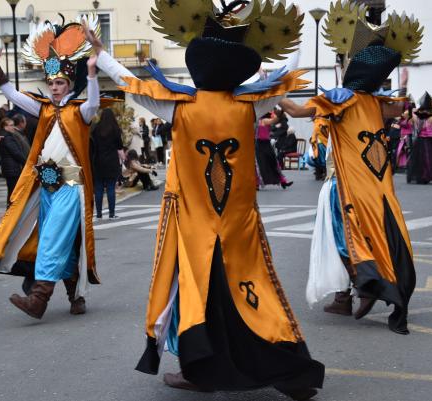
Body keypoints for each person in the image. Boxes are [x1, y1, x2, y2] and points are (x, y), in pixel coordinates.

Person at [93, 2, 324, 398]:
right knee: (256, 292)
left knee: (196, 293)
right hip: (240, 228)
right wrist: (296, 45)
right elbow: (285, 79)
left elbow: (130, 83)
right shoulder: (251, 105)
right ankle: (291, 371)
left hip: (194, 225)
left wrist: (100, 55)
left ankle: (198, 371)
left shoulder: (176, 105)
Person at [280, 1, 422, 335]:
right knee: (378, 237)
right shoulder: (378, 103)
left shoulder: (341, 99)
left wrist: (274, 91)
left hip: (347, 187)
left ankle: (366, 286)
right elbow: (402, 107)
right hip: (379, 189)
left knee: (343, 238)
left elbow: (298, 113)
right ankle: (357, 291)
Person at [0, 13, 102, 320]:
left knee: (53, 237)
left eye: (60, 83)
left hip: (71, 187)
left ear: (69, 84)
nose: (54, 87)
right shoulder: (42, 109)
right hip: (46, 187)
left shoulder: (79, 111)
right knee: (60, 242)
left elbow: (94, 104)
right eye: (51, 82)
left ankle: (39, 299)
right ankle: (74, 295)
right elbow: (12, 94)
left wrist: (93, 74)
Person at [407, 93, 432, 184]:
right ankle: (426, 175)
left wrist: (411, 106)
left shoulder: (417, 118)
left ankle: (423, 176)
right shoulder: (430, 119)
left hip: (421, 141)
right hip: (428, 141)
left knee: (421, 160)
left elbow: (412, 112)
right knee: (429, 159)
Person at [91, 108, 124, 218]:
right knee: (111, 187)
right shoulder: (115, 129)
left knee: (98, 188)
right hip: (111, 161)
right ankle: (111, 213)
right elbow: (119, 146)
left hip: (97, 161)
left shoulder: (95, 128)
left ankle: (99, 213)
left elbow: (91, 144)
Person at [255, 112, 293, 189]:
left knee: (271, 163)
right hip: (260, 144)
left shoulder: (259, 121)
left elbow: (274, 122)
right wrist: (280, 113)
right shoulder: (263, 120)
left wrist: (279, 114)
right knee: (260, 164)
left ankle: (283, 181)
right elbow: (274, 120)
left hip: (264, 144)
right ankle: (257, 184)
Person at [0, 117, 30, 205]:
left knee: (12, 192)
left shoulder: (7, 136)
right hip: (12, 169)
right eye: (11, 125)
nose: (13, 127)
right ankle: (11, 214)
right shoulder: (7, 138)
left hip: (11, 168)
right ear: (5, 127)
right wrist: (27, 162)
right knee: (13, 193)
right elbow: (16, 153)